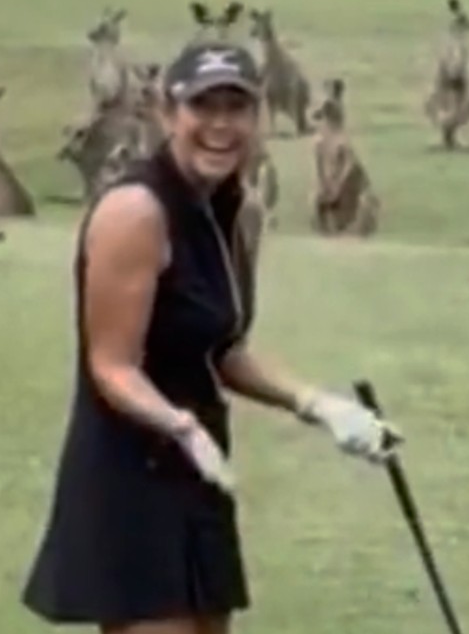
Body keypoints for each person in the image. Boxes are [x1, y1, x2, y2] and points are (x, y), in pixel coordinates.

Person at [21, 41, 402, 634]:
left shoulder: (235, 211)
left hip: (199, 472)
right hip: (131, 475)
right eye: (203, 107)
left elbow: (221, 348)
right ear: (168, 113)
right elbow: (111, 365)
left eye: (237, 107)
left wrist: (320, 406)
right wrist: (181, 426)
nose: (220, 125)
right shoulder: (135, 212)